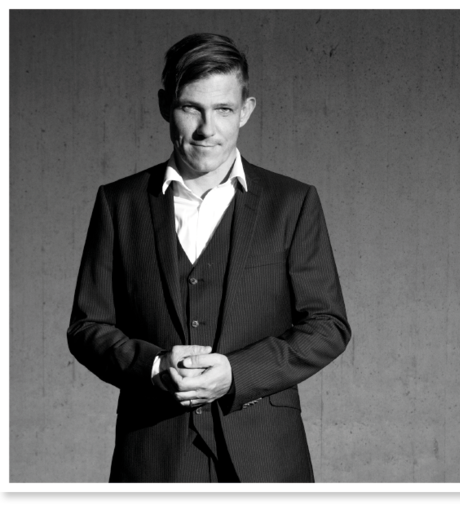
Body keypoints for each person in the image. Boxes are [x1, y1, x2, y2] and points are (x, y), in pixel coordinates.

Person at [67, 33, 351, 483]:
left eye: (223, 110)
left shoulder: (292, 203)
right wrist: (155, 367)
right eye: (190, 108)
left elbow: (328, 325)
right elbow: (87, 328)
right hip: (153, 452)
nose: (207, 129)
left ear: (246, 110)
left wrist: (237, 373)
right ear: (165, 106)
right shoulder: (119, 204)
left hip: (267, 454)